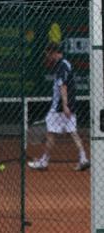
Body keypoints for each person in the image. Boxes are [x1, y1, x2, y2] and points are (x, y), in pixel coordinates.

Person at [28, 42, 90, 172]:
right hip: (69, 105)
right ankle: (83, 158)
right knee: (73, 132)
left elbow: (63, 86)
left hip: (59, 107)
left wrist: (65, 105)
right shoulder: (66, 63)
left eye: (48, 54)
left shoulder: (62, 66)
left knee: (50, 133)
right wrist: (68, 106)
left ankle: (44, 162)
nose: (47, 57)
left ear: (53, 52)